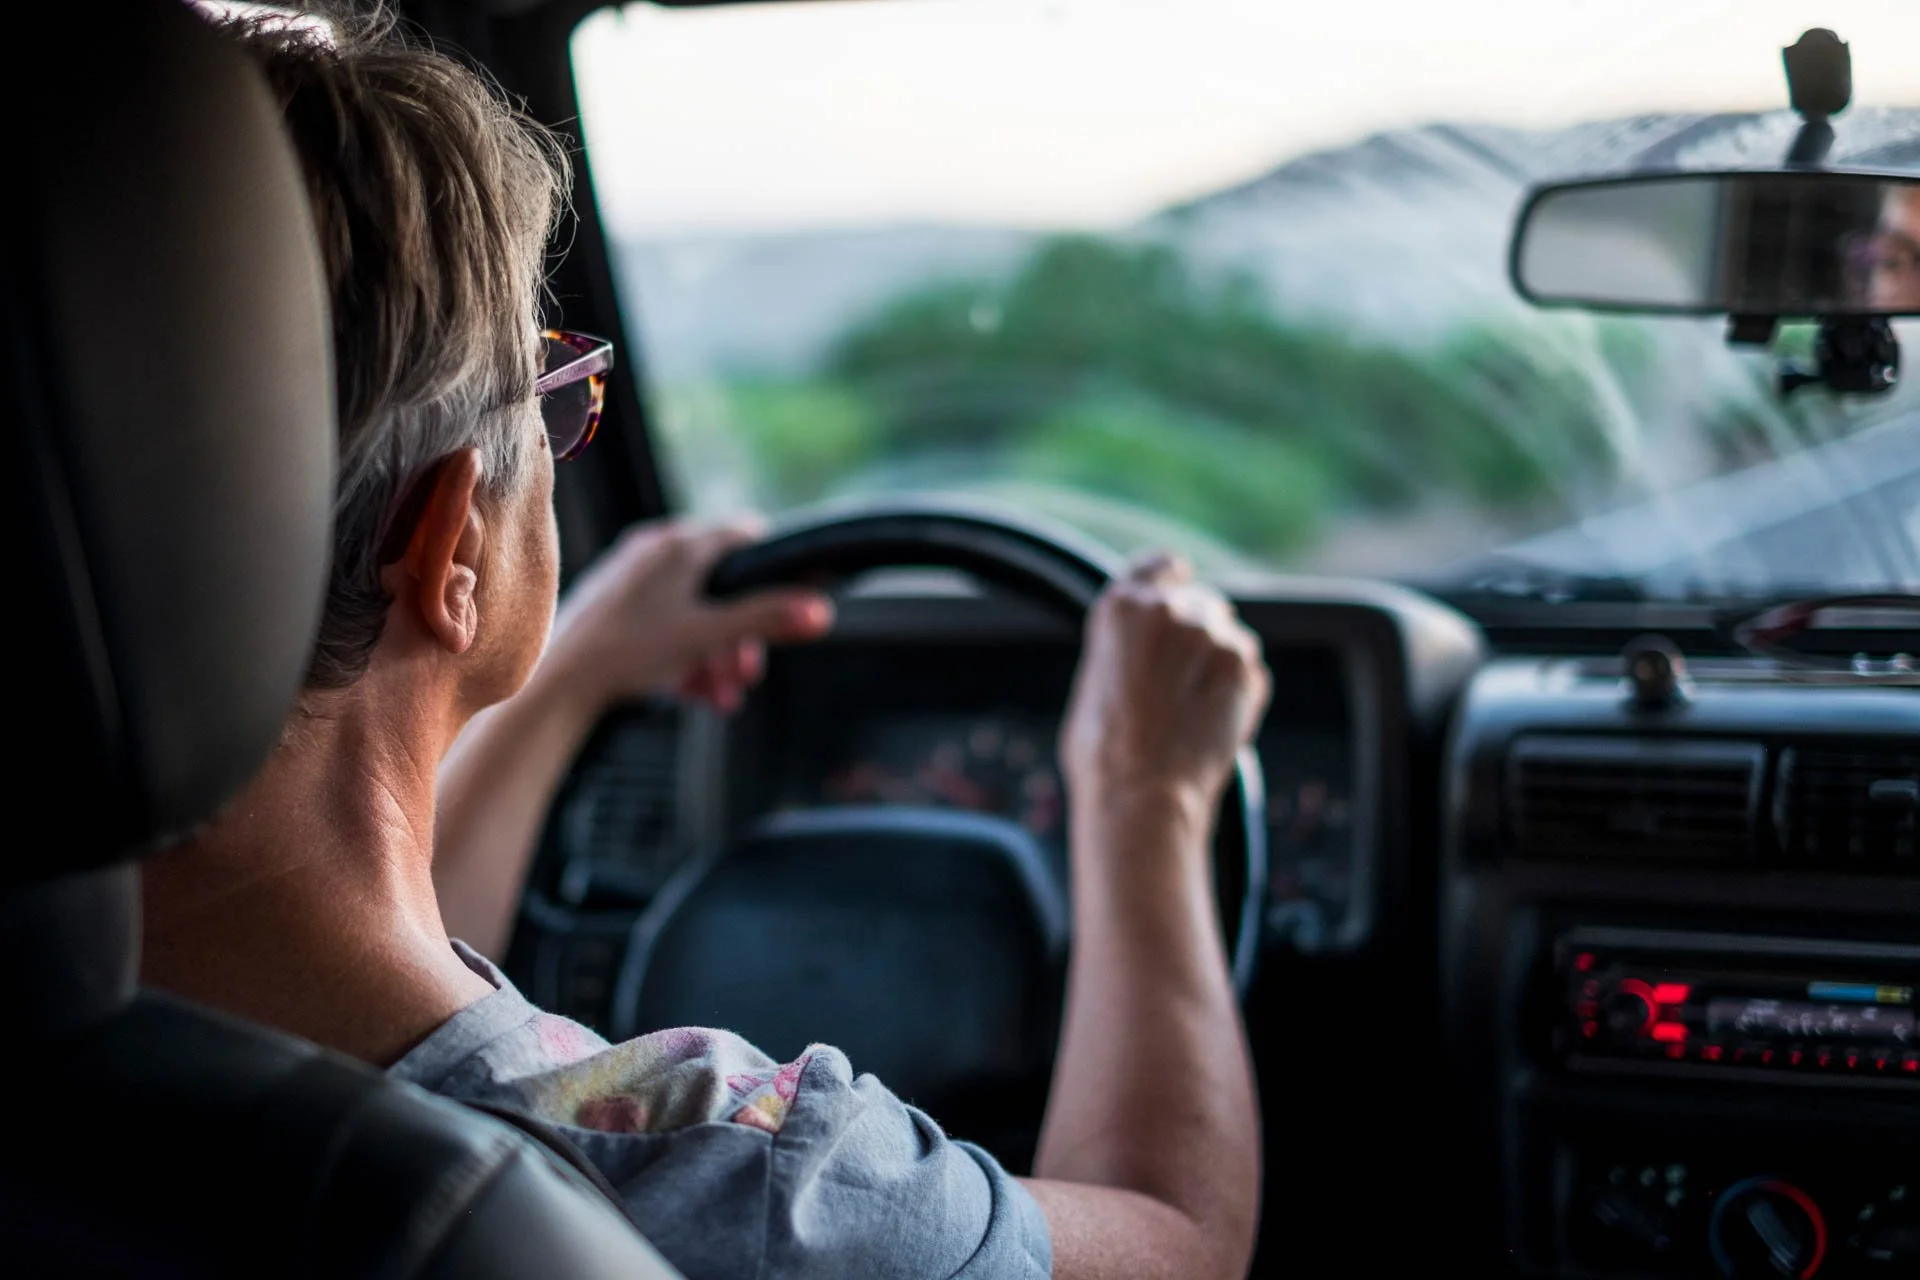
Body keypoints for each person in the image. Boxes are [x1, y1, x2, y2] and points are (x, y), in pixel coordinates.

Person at [141, 9, 1267, 1280]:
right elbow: (1180, 1241)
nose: (563, 437)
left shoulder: (93, 1025)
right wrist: (1148, 793)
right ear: (452, 540)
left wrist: (568, 676)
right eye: (551, 398)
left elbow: (334, 979)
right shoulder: (727, 1174)